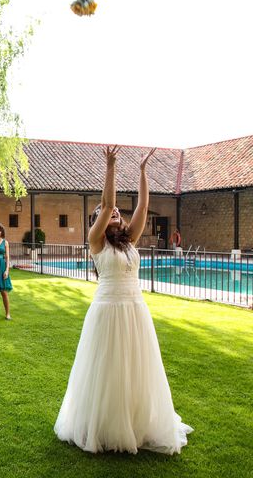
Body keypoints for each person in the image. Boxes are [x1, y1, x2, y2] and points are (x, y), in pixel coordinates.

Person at [54, 146, 193, 454]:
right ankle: (105, 425)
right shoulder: (96, 242)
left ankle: (136, 422)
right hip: (107, 310)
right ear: (99, 221)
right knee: (108, 368)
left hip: (135, 309)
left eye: (118, 213)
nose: (116, 213)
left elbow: (143, 205)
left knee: (136, 367)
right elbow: (107, 204)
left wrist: (143, 173)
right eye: (110, 214)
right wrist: (111, 166)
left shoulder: (129, 239)